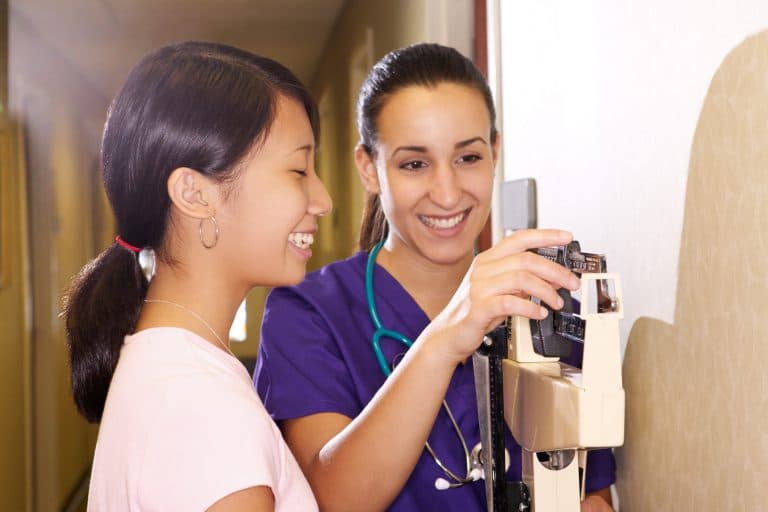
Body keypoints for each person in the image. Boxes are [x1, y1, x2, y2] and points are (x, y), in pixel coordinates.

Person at [254, 43, 616, 511]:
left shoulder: (543, 298)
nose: (447, 194)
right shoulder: (308, 313)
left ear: (495, 152)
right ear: (369, 168)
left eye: (468, 158)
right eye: (414, 164)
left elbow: (591, 492)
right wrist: (445, 338)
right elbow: (330, 500)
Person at [62, 41, 331, 511]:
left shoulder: (173, 371)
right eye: (298, 170)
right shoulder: (201, 408)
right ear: (194, 193)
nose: (323, 200)